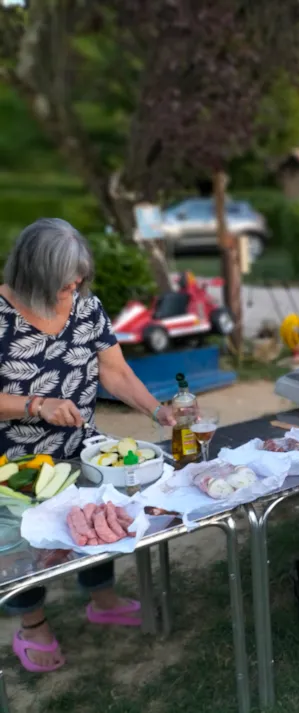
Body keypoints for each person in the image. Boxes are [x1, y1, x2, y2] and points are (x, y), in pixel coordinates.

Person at [0, 218, 176, 673]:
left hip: (79, 447)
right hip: (12, 461)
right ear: (31, 274)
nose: (74, 287)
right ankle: (32, 623)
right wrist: (36, 404)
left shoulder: (85, 308)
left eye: (79, 278)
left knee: (97, 515)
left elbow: (113, 372)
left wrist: (157, 411)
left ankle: (101, 597)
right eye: (64, 282)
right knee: (20, 543)